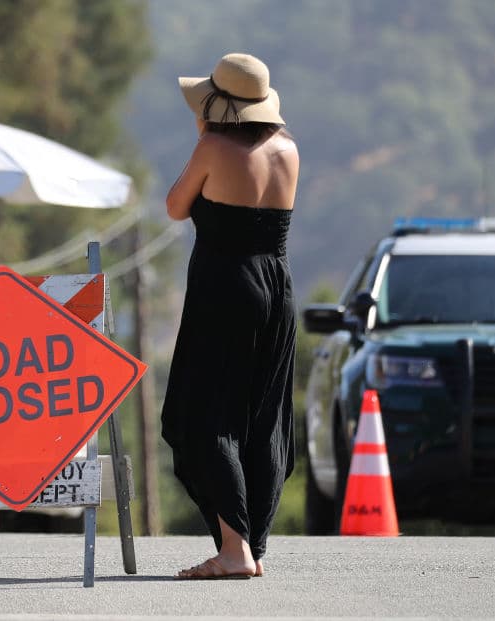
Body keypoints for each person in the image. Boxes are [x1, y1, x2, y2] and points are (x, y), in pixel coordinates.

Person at [161, 53, 299, 579]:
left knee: (205, 414)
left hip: (225, 288)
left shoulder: (213, 147)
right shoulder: (288, 149)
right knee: (263, 418)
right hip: (277, 287)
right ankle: (250, 546)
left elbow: (175, 206)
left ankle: (235, 550)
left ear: (218, 108)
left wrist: (204, 135)